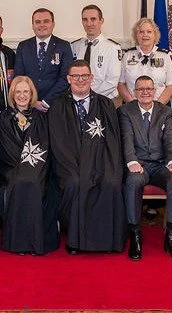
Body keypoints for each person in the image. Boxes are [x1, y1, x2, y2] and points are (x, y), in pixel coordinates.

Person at [48, 60, 124, 254]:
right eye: (75, 76)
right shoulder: (57, 105)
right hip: (70, 164)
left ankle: (107, 241)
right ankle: (75, 240)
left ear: (91, 78)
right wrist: (80, 166)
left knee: (110, 182)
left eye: (84, 76)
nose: (80, 80)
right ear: (68, 79)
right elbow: (58, 143)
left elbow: (113, 141)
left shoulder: (105, 104)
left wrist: (103, 166)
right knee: (75, 182)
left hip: (101, 162)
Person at [118, 76, 172, 261]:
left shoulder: (166, 111)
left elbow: (170, 139)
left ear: (154, 91)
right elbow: (126, 139)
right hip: (138, 165)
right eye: (140, 89)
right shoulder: (125, 111)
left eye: (149, 88)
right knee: (133, 181)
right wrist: (132, 162)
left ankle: (170, 236)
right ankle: (135, 235)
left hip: (161, 164)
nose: (145, 92)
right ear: (134, 92)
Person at [0, 75, 59, 255]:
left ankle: (38, 242)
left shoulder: (42, 118)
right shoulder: (2, 119)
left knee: (36, 183)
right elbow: (4, 149)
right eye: (18, 92)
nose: (22, 95)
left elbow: (45, 147)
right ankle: (20, 243)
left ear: (32, 94)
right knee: (22, 181)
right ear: (12, 94)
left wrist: (31, 169)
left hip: (38, 169)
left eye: (26, 91)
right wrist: (22, 169)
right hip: (10, 169)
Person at [14, 8, 74, 110]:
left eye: (46, 21)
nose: (42, 25)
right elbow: (19, 77)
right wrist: (32, 101)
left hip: (56, 104)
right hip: (29, 104)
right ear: (33, 25)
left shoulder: (63, 46)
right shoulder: (23, 46)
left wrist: (46, 101)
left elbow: (66, 78)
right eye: (38, 22)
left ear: (53, 24)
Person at [118, 18, 172, 104]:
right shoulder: (127, 55)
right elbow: (121, 84)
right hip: (132, 106)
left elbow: (171, 86)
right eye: (141, 32)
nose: (145, 35)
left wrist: (156, 107)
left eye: (149, 32)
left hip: (160, 106)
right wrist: (133, 106)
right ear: (136, 35)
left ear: (155, 35)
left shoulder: (165, 56)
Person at [70, 4, 122, 100]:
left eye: (93, 19)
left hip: (105, 99)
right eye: (85, 20)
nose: (89, 24)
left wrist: (87, 95)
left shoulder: (112, 47)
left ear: (101, 21)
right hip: (79, 99)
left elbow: (112, 81)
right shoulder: (74, 46)